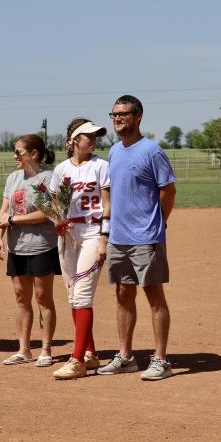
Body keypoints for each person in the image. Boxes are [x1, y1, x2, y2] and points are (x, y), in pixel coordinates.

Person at [97, 95, 177, 381]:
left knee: (154, 295)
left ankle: (162, 359)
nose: (118, 118)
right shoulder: (115, 152)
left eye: (123, 114)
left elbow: (167, 191)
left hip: (146, 236)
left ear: (138, 115)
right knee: (122, 295)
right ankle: (126, 356)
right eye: (114, 114)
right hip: (119, 236)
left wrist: (158, 222)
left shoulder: (151, 151)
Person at [48, 119, 110, 380]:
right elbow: (53, 204)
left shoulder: (102, 166)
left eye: (95, 135)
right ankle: (90, 354)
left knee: (83, 294)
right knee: (73, 295)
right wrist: (56, 220)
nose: (93, 139)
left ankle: (76, 361)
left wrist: (104, 239)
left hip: (93, 232)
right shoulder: (61, 170)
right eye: (88, 135)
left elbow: (108, 205)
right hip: (68, 234)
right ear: (74, 140)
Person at [0, 134, 59, 368]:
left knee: (44, 298)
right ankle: (24, 350)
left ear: (34, 154)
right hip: (17, 247)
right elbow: (3, 212)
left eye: (19, 152)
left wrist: (13, 220)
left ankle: (46, 349)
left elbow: (47, 214)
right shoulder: (13, 178)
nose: (15, 156)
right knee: (21, 298)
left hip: (42, 245)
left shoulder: (46, 179)